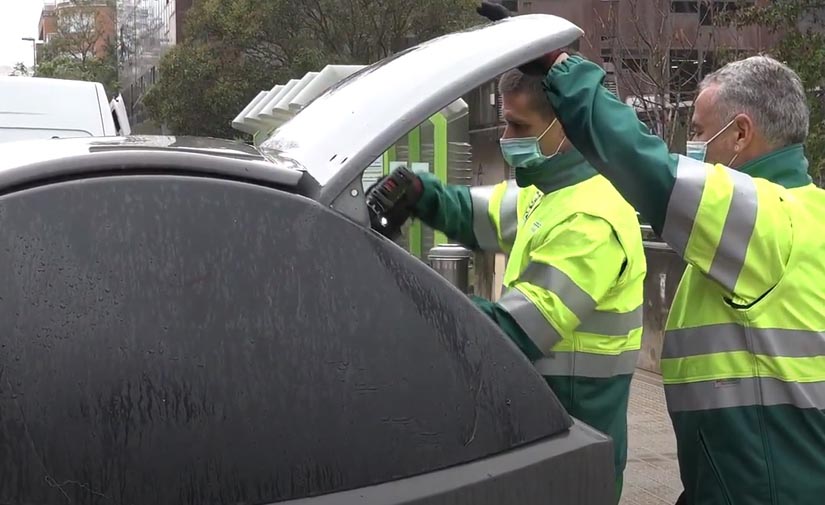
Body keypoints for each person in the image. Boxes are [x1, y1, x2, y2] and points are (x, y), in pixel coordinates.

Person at [530, 41, 825, 505]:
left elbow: (644, 167)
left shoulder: (767, 217)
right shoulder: (808, 214)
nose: (694, 152)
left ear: (741, 134)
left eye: (700, 133)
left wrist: (562, 71)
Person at [368, 68, 647, 501]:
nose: (504, 136)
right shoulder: (549, 190)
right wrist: (420, 192)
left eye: (519, 126)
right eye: (505, 122)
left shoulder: (591, 218)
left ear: (567, 130)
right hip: (541, 431)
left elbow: (518, 329)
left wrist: (409, 305)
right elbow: (475, 213)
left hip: (574, 447)